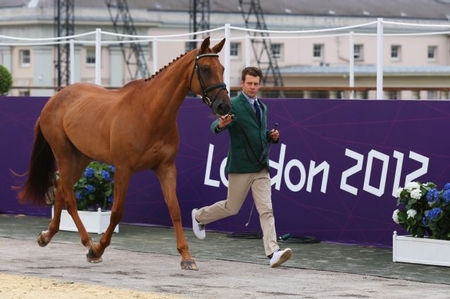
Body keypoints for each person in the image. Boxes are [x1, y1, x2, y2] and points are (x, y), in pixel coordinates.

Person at [192, 66, 292, 268]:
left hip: (261, 167)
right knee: (232, 207)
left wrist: (270, 136)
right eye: (249, 83)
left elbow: (257, 132)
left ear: (259, 85)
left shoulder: (262, 107)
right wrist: (221, 124)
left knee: (267, 210)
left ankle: (273, 252)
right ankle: (199, 216)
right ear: (242, 84)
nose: (253, 87)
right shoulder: (234, 104)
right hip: (240, 166)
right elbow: (215, 127)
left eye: (256, 84)